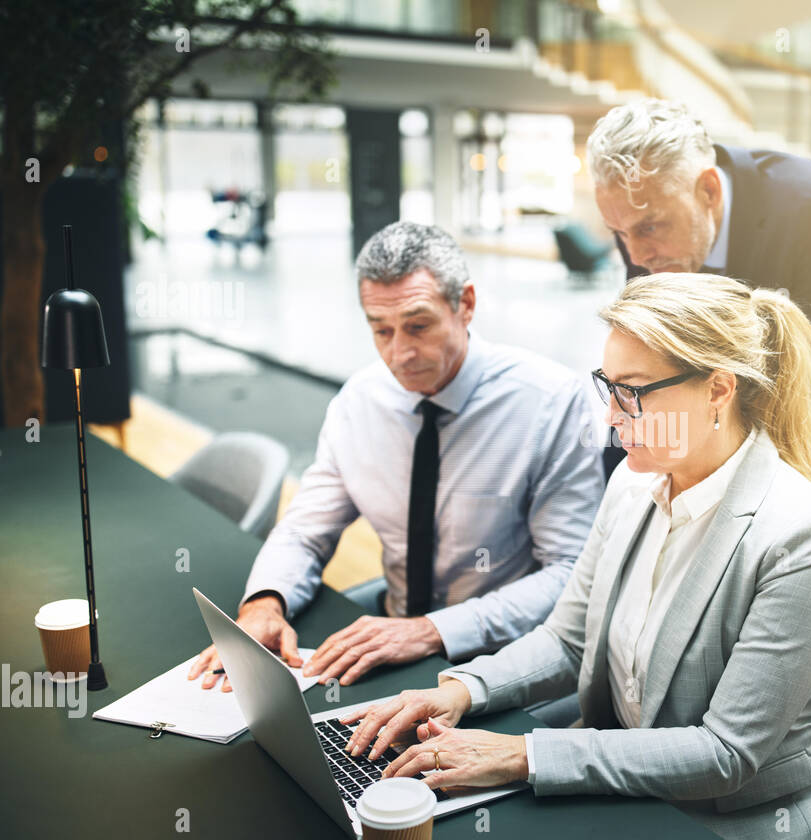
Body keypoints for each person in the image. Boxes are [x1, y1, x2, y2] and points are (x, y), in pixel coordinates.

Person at [342, 272, 811, 840]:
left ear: (718, 389)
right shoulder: (634, 482)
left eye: (634, 392)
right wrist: (464, 688)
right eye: (607, 387)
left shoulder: (799, 535)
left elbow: (725, 754)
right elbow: (567, 641)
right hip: (630, 779)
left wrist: (523, 755)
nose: (612, 418)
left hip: (741, 816)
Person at [586, 99, 811, 643]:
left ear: (708, 191)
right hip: (766, 423)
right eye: (619, 233)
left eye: (650, 228)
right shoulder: (647, 232)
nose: (637, 256)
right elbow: (646, 371)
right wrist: (623, 518)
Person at [187, 222, 604, 691]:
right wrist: (265, 602)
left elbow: (570, 574)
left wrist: (431, 631)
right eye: (381, 330)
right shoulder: (360, 401)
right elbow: (306, 529)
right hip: (394, 632)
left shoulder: (550, 402)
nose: (399, 353)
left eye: (418, 326)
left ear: (465, 304)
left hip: (504, 658)